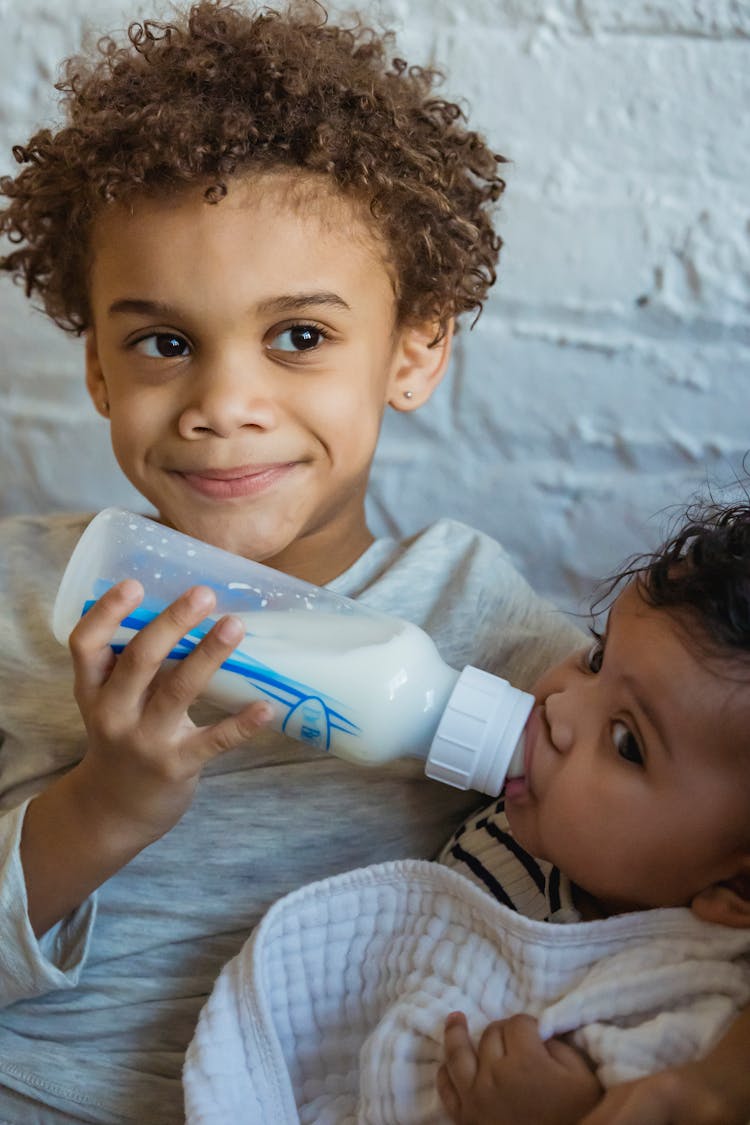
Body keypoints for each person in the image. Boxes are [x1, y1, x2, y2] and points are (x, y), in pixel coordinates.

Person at [0, 2, 746, 1122]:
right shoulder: (25, 603)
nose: (224, 407)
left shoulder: (499, 645)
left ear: (415, 348)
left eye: (299, 337)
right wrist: (101, 810)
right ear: (99, 372)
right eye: (163, 343)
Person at [182, 500, 750, 1125]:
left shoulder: (689, 1017)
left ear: (735, 884)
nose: (559, 706)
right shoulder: (510, 839)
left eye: (626, 743)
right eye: (595, 657)